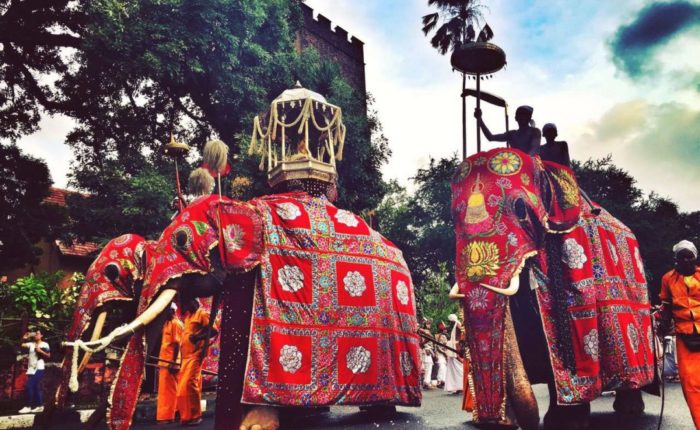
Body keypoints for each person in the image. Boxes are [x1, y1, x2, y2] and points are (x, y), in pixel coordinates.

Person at [659, 240, 700, 428]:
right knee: (690, 385)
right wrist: (662, 326)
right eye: (680, 257)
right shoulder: (668, 279)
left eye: (688, 256)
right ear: (675, 260)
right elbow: (666, 306)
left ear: (695, 257)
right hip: (685, 337)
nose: (685, 260)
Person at [177, 298, 218, 426]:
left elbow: (213, 331)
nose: (185, 306)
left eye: (187, 302)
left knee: (189, 384)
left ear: (194, 302)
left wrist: (197, 337)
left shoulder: (202, 313)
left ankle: (195, 416)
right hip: (186, 357)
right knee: (182, 388)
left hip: (195, 355)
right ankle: (186, 417)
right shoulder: (189, 316)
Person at [475, 105, 541, 156]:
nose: (522, 117)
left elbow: (534, 149)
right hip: (516, 164)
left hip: (531, 165)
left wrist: (525, 160)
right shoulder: (511, 134)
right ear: (516, 118)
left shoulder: (535, 131)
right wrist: (480, 119)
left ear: (529, 118)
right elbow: (490, 137)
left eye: (525, 115)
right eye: (520, 114)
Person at [157, 303, 184, 423]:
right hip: (164, 361)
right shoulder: (166, 323)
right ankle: (174, 413)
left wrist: (174, 362)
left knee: (170, 391)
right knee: (165, 390)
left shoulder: (176, 324)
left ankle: (169, 416)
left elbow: (178, 344)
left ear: (172, 311)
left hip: (171, 362)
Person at [19, 329, 50, 414]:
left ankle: (28, 406)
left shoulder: (45, 344)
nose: (35, 335)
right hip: (31, 368)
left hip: (39, 368)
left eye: (37, 334)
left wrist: (40, 351)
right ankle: (40, 406)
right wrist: (24, 338)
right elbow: (21, 344)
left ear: (41, 336)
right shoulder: (31, 344)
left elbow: (48, 355)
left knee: (29, 385)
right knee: (35, 387)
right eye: (35, 334)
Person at [444, 314, 464, 394]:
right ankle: (457, 387)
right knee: (453, 367)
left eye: (449, 322)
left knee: (458, 366)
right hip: (453, 347)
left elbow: (463, 333)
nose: (449, 323)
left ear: (452, 321)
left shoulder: (458, 324)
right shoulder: (455, 326)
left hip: (456, 347)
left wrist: (460, 344)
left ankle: (462, 386)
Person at [418, 319, 436, 389]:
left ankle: (425, 382)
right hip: (425, 350)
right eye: (427, 324)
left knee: (426, 366)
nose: (429, 325)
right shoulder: (423, 331)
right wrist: (424, 345)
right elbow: (430, 338)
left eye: (429, 324)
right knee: (427, 366)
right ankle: (426, 382)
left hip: (424, 349)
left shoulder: (422, 331)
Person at [435, 322, 448, 389]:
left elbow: (445, 346)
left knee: (444, 367)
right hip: (440, 353)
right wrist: (445, 353)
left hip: (443, 353)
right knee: (442, 366)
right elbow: (438, 347)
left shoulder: (443, 336)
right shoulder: (438, 336)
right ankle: (439, 381)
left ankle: (443, 381)